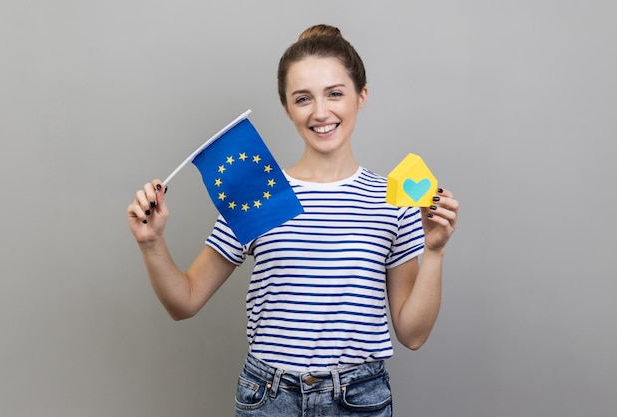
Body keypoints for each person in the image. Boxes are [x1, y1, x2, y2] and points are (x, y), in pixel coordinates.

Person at [127, 24, 459, 417]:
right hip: (269, 398)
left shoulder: (392, 200)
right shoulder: (258, 192)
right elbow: (185, 301)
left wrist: (435, 251)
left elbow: (413, 334)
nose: (321, 112)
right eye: (303, 98)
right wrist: (152, 244)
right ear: (286, 107)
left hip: (358, 400)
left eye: (335, 93)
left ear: (361, 96)